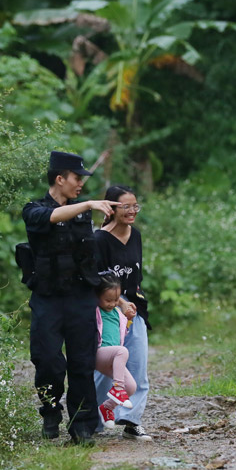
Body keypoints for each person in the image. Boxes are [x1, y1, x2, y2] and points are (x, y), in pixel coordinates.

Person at [21, 151, 121, 446]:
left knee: (81, 362)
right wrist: (87, 204)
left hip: (79, 297)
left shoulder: (83, 214)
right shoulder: (34, 209)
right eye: (77, 178)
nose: (80, 184)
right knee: (49, 361)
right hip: (48, 298)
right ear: (60, 178)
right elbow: (51, 218)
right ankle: (51, 411)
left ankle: (83, 426)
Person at [94, 185, 152, 441]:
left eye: (135, 206)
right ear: (112, 208)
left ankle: (131, 420)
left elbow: (135, 275)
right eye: (126, 206)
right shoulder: (99, 239)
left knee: (138, 364)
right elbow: (98, 280)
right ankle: (94, 421)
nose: (132, 211)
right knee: (107, 366)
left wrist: (132, 303)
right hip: (109, 309)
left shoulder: (136, 235)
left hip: (134, 307)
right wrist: (119, 304)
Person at [94, 274, 136, 429]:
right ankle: (117, 388)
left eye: (116, 300)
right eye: (108, 300)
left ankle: (107, 407)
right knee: (122, 351)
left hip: (113, 356)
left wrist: (129, 320)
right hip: (99, 353)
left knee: (131, 387)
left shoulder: (118, 313)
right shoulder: (96, 310)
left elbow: (119, 334)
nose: (112, 304)